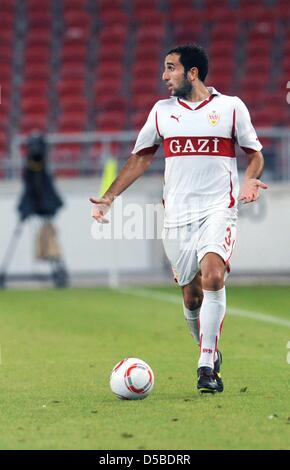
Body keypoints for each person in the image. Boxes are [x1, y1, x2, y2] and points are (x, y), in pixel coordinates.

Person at [90, 44, 268, 393]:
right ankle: (208, 349)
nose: (163, 76)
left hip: (219, 208)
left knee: (213, 274)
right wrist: (110, 197)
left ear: (192, 73)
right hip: (177, 216)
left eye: (170, 68)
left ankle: (205, 365)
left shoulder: (231, 108)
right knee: (191, 297)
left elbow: (255, 154)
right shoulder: (161, 112)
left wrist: (249, 178)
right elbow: (140, 159)